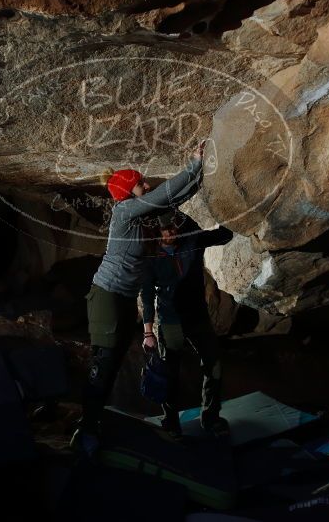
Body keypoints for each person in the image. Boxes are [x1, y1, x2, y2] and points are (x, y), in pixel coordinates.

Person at [71, 142, 206, 457]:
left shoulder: (143, 216)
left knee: (114, 360)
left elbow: (174, 199)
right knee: (102, 363)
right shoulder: (124, 210)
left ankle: (94, 419)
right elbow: (163, 195)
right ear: (129, 191)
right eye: (141, 183)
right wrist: (194, 164)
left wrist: (198, 179)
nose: (147, 185)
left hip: (123, 297)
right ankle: (86, 429)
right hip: (107, 295)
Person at [141, 211, 233, 438]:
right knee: (170, 373)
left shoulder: (192, 242)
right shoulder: (152, 258)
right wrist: (148, 332)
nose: (171, 232)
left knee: (214, 365)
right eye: (165, 229)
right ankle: (171, 421)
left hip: (197, 317)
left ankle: (210, 417)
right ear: (157, 232)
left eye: (173, 227)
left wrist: (229, 213)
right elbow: (146, 295)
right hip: (170, 320)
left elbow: (224, 235)